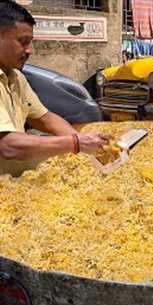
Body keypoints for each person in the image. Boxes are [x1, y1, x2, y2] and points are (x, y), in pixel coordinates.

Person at [0, 1, 109, 176]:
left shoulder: (16, 77)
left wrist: (85, 145)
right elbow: (7, 145)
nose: (30, 50)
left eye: (31, 42)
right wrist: (75, 143)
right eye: (23, 42)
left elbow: (44, 118)